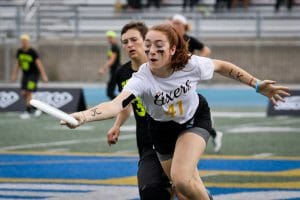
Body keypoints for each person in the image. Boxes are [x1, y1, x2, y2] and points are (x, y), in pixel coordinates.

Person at [62, 23, 290, 199]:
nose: (151, 51)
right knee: (186, 190)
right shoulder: (141, 78)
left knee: (180, 180)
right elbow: (115, 105)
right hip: (160, 131)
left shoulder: (190, 64)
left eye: (158, 47)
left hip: (194, 120)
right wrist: (82, 116)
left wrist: (257, 85)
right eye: (148, 45)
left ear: (172, 49)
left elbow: (222, 66)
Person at [107, 21, 171, 199]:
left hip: (173, 138)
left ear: (146, 41)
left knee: (182, 189)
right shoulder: (123, 73)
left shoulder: (164, 67)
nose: (129, 45)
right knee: (149, 190)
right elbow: (125, 105)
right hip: (145, 140)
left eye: (134, 40)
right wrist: (117, 125)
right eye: (125, 42)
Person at [172, 13, 223, 153]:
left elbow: (206, 50)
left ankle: (206, 123)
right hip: (174, 78)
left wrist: (196, 63)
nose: (175, 25)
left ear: (184, 26)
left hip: (186, 78)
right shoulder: (171, 39)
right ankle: (211, 129)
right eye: (173, 23)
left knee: (185, 106)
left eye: (178, 23)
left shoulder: (189, 39)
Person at [11, 34, 48, 119]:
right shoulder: (19, 51)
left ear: (28, 41)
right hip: (25, 74)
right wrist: (14, 75)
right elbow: (17, 64)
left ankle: (27, 111)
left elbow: (39, 64)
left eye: (25, 40)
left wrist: (44, 75)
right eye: (22, 41)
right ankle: (35, 109)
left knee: (29, 91)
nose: (24, 42)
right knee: (23, 93)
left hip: (34, 74)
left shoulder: (32, 51)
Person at [99, 30, 121, 100]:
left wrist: (103, 69)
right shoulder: (113, 46)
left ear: (111, 37)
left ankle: (120, 103)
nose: (107, 39)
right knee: (110, 91)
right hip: (114, 70)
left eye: (108, 38)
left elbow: (112, 60)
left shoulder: (114, 47)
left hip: (116, 70)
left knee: (110, 92)